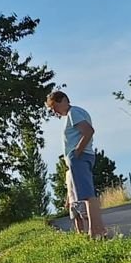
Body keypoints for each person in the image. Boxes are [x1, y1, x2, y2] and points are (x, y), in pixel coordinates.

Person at [47, 91, 107, 238]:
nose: (54, 112)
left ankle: (95, 231)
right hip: (83, 156)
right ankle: (99, 229)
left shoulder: (74, 112)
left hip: (80, 157)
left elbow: (88, 131)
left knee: (87, 196)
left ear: (63, 100)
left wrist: (76, 152)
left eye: (54, 107)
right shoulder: (77, 112)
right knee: (88, 195)